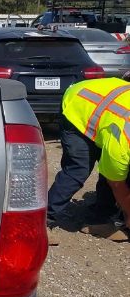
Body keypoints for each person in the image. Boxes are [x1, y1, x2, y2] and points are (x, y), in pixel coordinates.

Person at [47, 73, 130, 244]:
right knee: (78, 169)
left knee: (113, 170)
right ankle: (42, 221)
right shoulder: (122, 144)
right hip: (78, 104)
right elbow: (116, 182)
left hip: (107, 104)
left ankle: (99, 220)